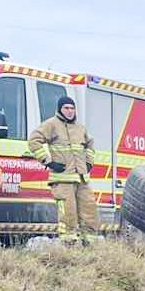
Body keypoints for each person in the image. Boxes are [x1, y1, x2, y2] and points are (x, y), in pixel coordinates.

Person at [29, 96, 97, 240]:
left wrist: (89, 163)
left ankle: (90, 245)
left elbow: (90, 144)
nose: (70, 111)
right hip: (62, 180)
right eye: (66, 108)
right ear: (59, 109)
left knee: (89, 211)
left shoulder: (80, 128)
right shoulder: (51, 124)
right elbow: (34, 140)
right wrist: (48, 162)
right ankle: (68, 244)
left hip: (82, 179)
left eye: (72, 108)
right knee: (68, 213)